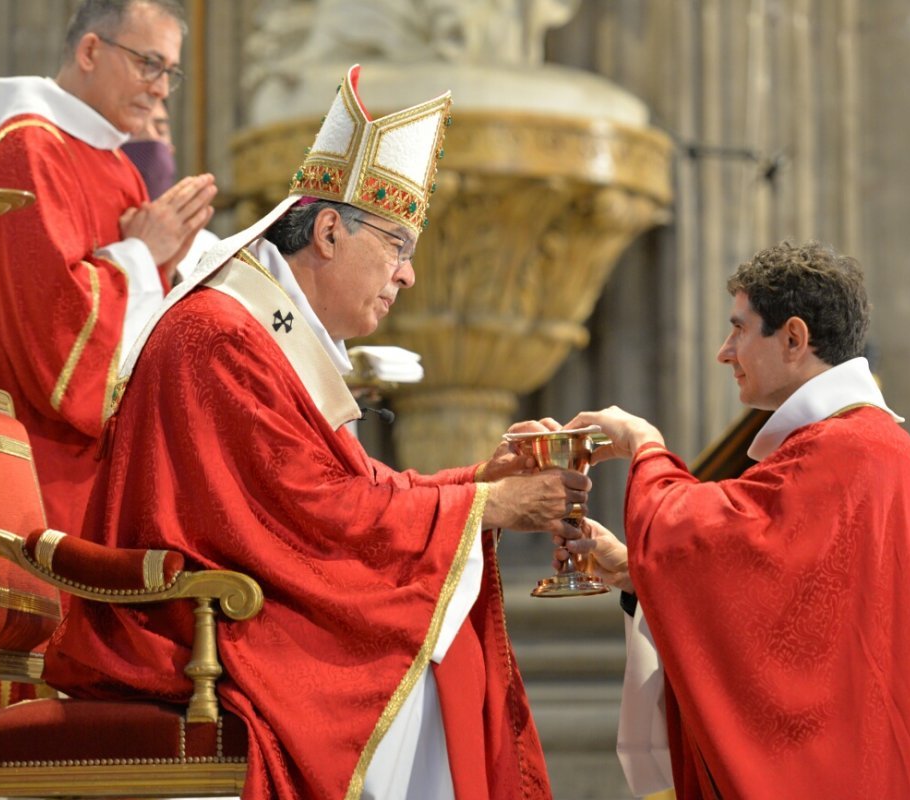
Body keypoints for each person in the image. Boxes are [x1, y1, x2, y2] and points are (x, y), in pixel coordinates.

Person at [43, 65, 581, 800]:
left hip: (233, 611)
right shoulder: (220, 336)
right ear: (328, 229)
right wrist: (486, 509)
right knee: (426, 669)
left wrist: (474, 482)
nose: (408, 277)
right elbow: (309, 513)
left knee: (440, 653)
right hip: (188, 636)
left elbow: (337, 492)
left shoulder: (258, 328)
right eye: (398, 246)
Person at [558, 241, 910, 798]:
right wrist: (634, 572)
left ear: (793, 339)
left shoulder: (847, 449)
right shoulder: (863, 443)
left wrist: (644, 444)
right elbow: (786, 608)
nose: (723, 351)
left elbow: (690, 532)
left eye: (739, 329)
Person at [0, 0, 216, 532]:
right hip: (45, 473)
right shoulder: (28, 151)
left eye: (170, 73)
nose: (160, 88)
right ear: (89, 51)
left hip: (106, 469)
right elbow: (59, 343)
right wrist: (143, 257)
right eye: (149, 64)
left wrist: (173, 266)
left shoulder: (118, 167)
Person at [121, 97, 221, 281]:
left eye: (161, 129)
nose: (150, 137)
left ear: (171, 148)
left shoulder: (207, 247)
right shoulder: (91, 235)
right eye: (134, 130)